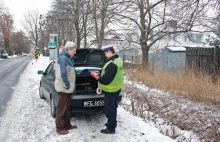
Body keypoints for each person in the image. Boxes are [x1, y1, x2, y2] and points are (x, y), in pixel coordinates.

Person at [91, 45, 124, 134]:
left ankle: (110, 128)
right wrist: (100, 72)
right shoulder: (118, 60)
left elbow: (105, 80)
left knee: (110, 110)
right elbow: (110, 71)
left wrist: (97, 77)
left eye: (105, 53)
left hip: (111, 91)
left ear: (109, 51)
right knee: (113, 108)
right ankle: (113, 123)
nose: (105, 55)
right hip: (117, 88)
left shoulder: (112, 63)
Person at [54, 41, 77, 135]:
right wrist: (67, 85)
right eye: (74, 51)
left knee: (66, 108)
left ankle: (67, 125)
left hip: (66, 89)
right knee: (61, 109)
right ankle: (59, 128)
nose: (75, 53)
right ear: (68, 50)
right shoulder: (63, 58)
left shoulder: (67, 57)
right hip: (64, 88)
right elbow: (63, 73)